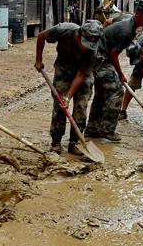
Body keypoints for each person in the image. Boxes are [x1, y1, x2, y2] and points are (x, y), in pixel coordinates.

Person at [84, 0, 143, 142]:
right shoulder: (127, 31)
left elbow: (108, 22)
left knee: (101, 94)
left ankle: (92, 129)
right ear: (138, 13)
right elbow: (113, 55)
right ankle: (107, 130)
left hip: (97, 54)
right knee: (117, 92)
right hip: (100, 57)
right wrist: (121, 75)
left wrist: (105, 36)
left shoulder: (126, 18)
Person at [35, 20, 102, 154]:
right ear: (78, 36)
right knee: (59, 104)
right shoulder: (63, 30)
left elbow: (81, 75)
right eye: (85, 44)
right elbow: (41, 36)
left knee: (81, 106)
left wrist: (68, 96)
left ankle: (74, 142)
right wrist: (38, 59)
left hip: (82, 74)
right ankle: (56, 141)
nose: (87, 47)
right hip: (63, 67)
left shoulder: (93, 50)